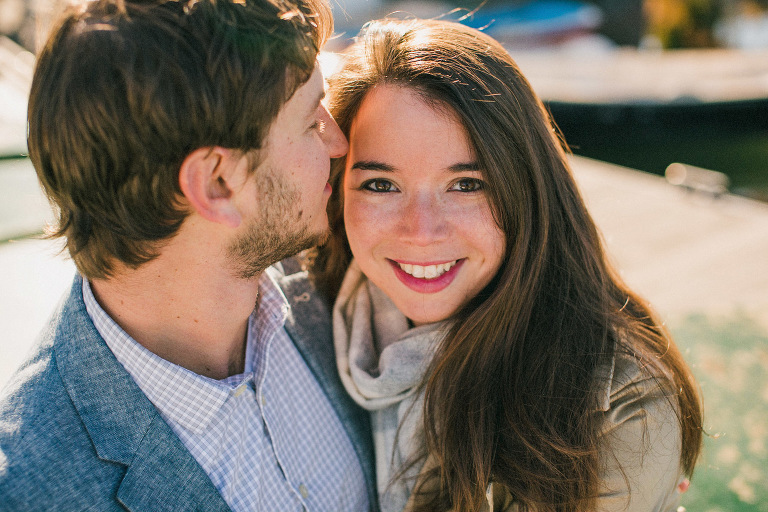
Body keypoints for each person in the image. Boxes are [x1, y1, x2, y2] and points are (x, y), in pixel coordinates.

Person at [311, 19, 703, 512]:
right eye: (381, 185)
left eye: (467, 184)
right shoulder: (305, 314)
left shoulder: (617, 407)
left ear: (527, 188)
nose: (422, 230)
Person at [0, 0, 377, 510]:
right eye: (312, 122)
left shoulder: (344, 277)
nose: (338, 143)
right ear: (216, 182)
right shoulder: (33, 489)